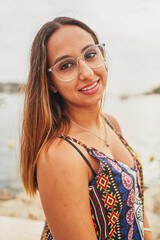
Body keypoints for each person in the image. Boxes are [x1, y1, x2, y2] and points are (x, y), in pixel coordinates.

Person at [20, 17, 153, 240]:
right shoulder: (61, 155)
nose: (87, 73)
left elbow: (137, 204)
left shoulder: (110, 123)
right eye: (66, 65)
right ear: (50, 82)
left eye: (90, 54)